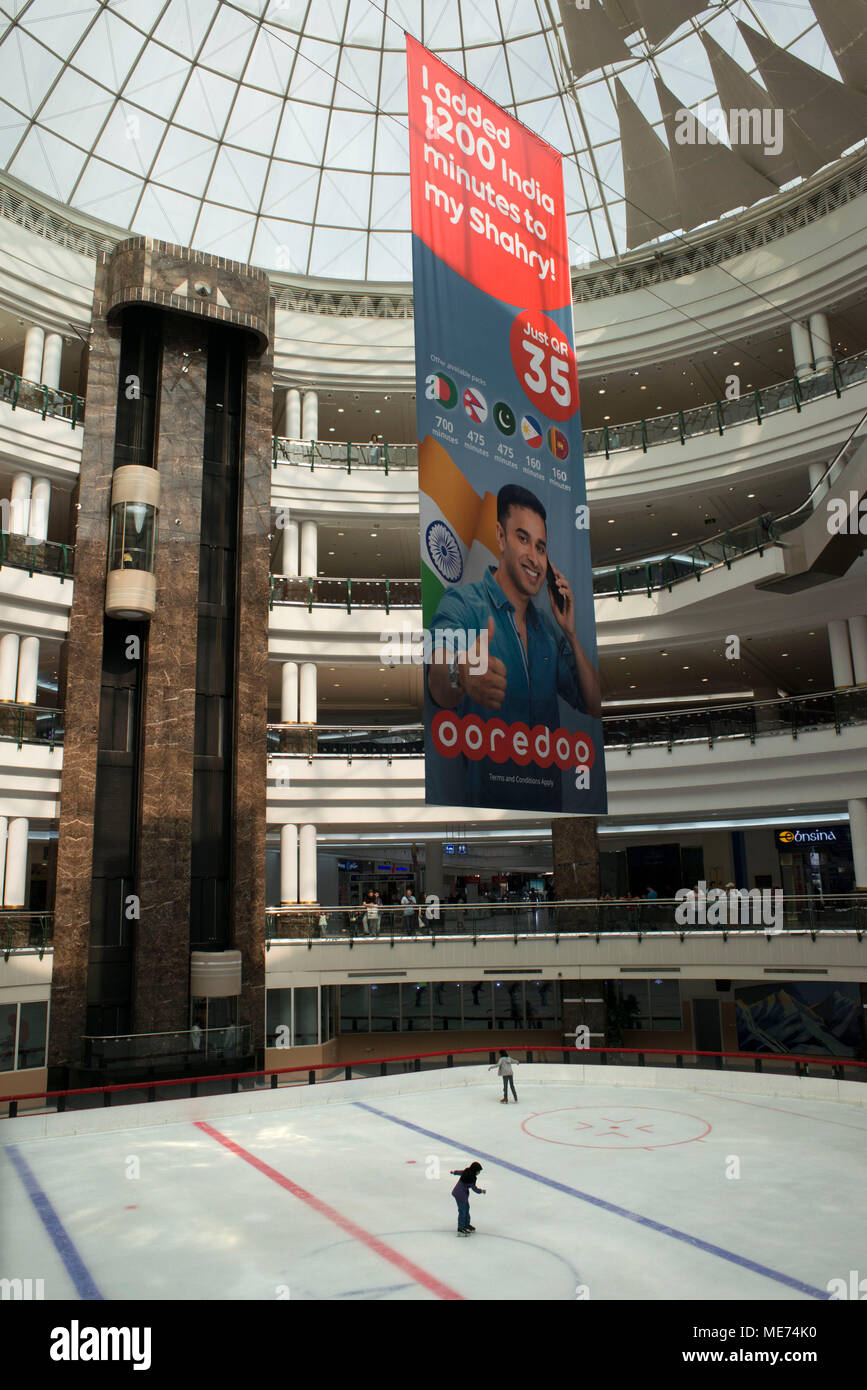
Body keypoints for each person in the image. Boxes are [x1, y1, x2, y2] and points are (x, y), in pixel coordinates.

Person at [426, 484, 601, 811]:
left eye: (541, 547)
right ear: (501, 537)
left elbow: (593, 704)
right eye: (523, 539)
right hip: (485, 815)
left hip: (549, 812)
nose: (534, 558)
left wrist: (572, 635)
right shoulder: (463, 603)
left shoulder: (550, 630)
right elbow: (437, 679)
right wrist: (461, 674)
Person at [450, 1161, 485, 1235]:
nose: (479, 1172)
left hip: (461, 1194)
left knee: (466, 1209)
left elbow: (460, 1172)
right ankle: (461, 1227)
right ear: (475, 1170)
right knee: (463, 1211)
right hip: (460, 1195)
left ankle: (466, 1224)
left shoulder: (467, 1171)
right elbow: (475, 1189)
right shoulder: (471, 1178)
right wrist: (481, 1191)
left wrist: (454, 1172)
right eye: (478, 1171)